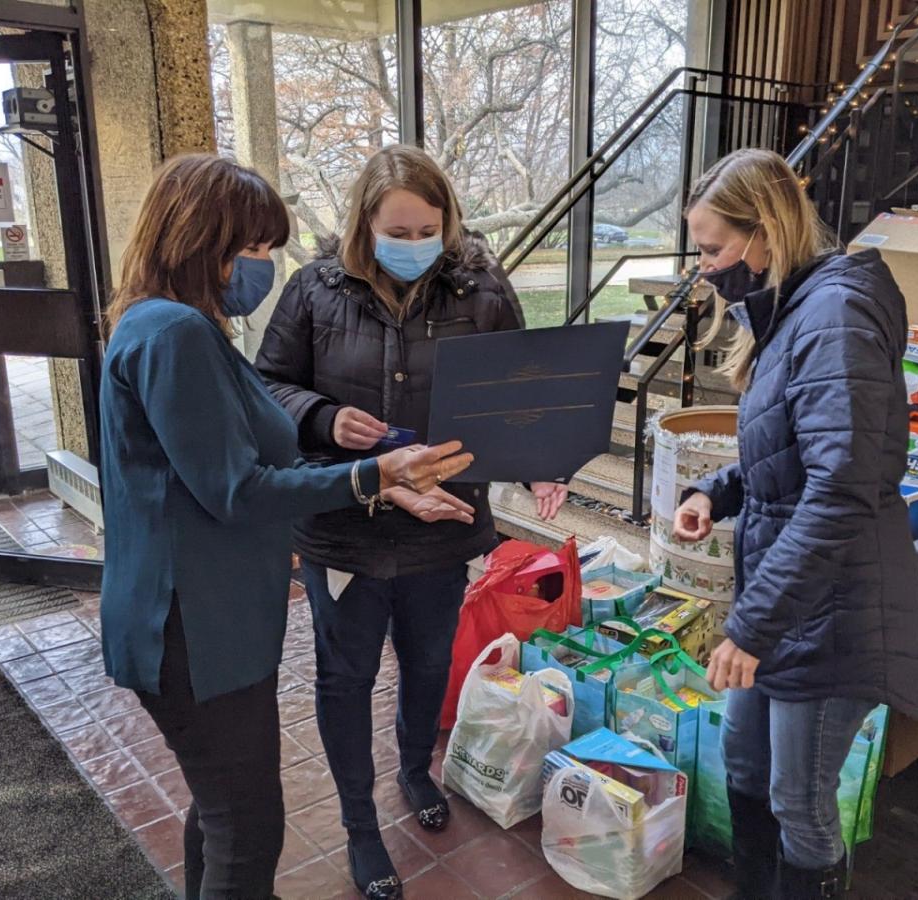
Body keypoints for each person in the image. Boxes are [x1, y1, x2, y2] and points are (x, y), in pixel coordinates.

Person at [99, 154, 475, 900]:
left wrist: (381, 490)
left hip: (206, 619)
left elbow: (233, 473)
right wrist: (373, 475)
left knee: (221, 814)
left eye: (270, 248)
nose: (263, 265)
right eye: (253, 247)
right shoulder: (175, 333)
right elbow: (236, 489)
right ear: (198, 238)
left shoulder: (171, 324)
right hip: (194, 627)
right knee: (249, 830)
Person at [255, 144, 566, 899]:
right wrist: (326, 418)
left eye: (429, 229)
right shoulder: (314, 292)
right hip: (345, 527)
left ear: (447, 223)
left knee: (429, 662)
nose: (414, 244)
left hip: (443, 523)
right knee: (346, 677)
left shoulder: (482, 290)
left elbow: (522, 387)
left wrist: (538, 458)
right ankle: (361, 825)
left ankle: (410, 770)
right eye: (399, 229)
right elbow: (268, 387)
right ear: (365, 223)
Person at [672, 149, 918, 899]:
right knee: (745, 767)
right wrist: (714, 493)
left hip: (834, 609)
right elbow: (790, 454)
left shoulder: (834, 315)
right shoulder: (793, 309)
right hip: (789, 604)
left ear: (766, 235)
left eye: (714, 249)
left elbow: (841, 486)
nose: (706, 268)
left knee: (800, 805)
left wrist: (751, 626)